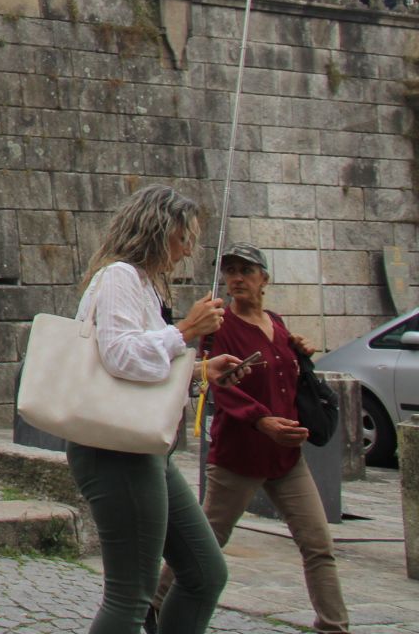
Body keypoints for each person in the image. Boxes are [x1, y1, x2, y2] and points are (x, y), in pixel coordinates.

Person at [65, 185, 251, 634]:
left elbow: (147, 369)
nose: (188, 251)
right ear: (158, 231)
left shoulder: (147, 286)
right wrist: (186, 329)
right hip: (114, 447)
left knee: (206, 574)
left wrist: (203, 372)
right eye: (184, 238)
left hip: (146, 446)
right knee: (130, 597)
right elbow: (122, 357)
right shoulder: (120, 277)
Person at [151, 244, 349, 634]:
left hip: (287, 459)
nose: (237, 278)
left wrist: (301, 353)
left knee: (318, 545)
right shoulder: (219, 326)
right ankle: (154, 603)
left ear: (265, 279)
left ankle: (334, 627)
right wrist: (263, 421)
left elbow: (289, 377)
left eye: (246, 270)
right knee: (207, 542)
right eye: (231, 271)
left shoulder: (276, 323)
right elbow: (216, 385)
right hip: (237, 458)